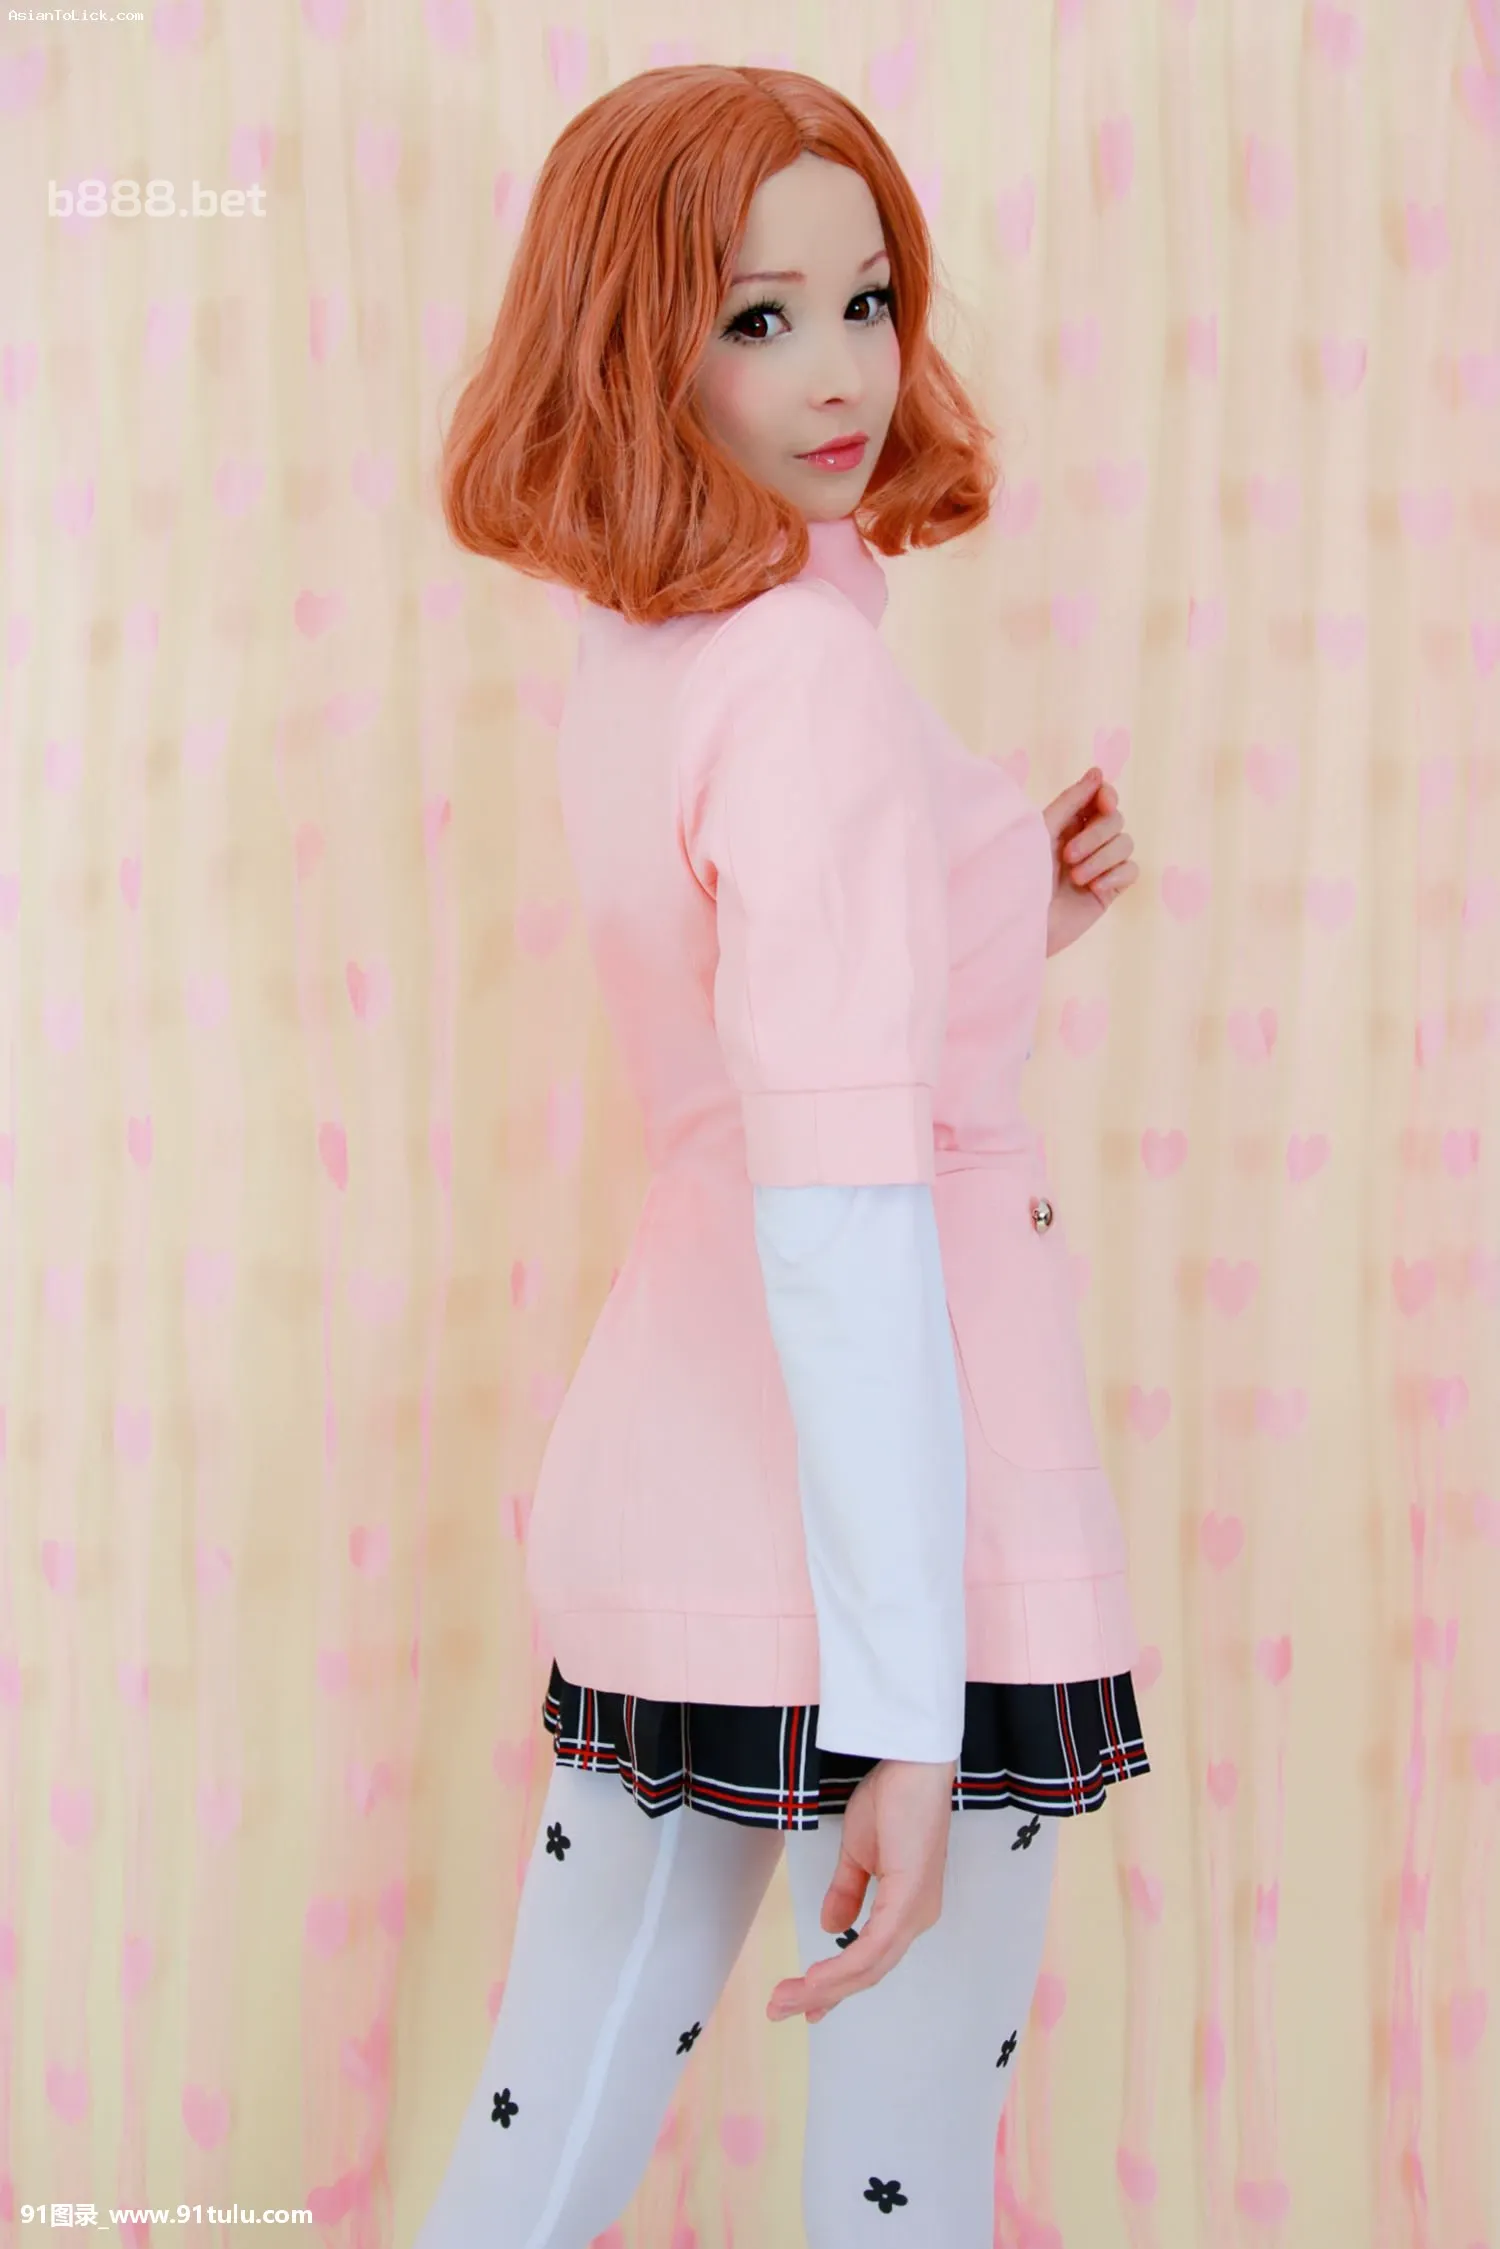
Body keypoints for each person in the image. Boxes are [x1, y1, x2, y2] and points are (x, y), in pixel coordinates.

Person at [417, 62, 1149, 2249]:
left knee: (540, 2129)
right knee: (901, 2188)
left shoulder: (651, 658)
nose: (839, 372)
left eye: (867, 300)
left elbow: (748, 1036)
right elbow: (841, 1209)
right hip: (913, 1518)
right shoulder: (805, 683)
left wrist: (996, 893)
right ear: (635, 341)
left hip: (687, 1482)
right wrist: (911, 1715)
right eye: (757, 318)